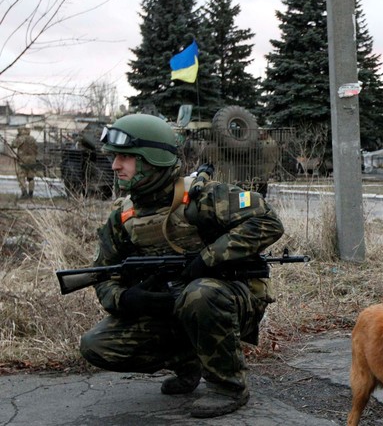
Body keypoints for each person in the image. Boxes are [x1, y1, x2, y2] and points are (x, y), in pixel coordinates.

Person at [78, 114, 284, 418]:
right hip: (172, 306)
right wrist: (127, 298)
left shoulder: (204, 197)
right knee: (96, 344)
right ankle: (190, 360)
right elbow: (104, 275)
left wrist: (208, 258)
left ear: (151, 159)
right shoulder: (123, 217)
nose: (115, 165)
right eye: (114, 157)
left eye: (125, 157)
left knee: (201, 294)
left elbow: (268, 222)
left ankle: (229, 386)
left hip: (229, 301)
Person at [11, 126, 38, 198]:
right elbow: (36, 148)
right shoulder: (33, 139)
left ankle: (24, 193)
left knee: (21, 177)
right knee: (31, 178)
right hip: (32, 161)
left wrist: (16, 138)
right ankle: (31, 193)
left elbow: (13, 145)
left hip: (22, 161)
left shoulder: (21, 138)